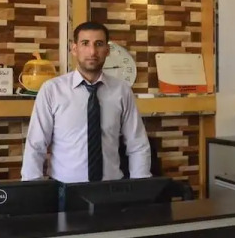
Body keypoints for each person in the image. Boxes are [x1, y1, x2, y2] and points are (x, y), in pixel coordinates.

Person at [21, 21, 151, 183]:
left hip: (111, 187)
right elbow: (36, 145)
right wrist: (33, 190)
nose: (92, 51)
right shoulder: (52, 90)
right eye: (85, 43)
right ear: (74, 49)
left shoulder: (122, 90)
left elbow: (137, 144)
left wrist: (141, 187)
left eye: (99, 44)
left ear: (107, 50)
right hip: (64, 189)